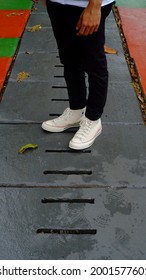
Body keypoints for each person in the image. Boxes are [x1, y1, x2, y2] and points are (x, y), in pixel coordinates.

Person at [34, 0, 115, 150]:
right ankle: (76, 110)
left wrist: (95, 5)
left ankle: (93, 119)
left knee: (94, 64)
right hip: (57, 3)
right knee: (69, 59)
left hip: (86, 4)